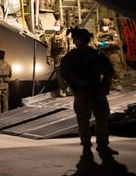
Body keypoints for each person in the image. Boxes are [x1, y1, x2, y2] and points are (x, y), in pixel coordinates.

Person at [60, 27, 118, 158]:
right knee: (101, 119)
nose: (74, 41)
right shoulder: (95, 54)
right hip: (96, 90)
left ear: (78, 40)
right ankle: (102, 146)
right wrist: (104, 85)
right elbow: (109, 71)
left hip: (84, 92)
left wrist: (76, 84)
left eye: (75, 39)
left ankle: (87, 148)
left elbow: (64, 74)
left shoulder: (72, 56)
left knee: (84, 121)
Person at [47, 21, 74, 97]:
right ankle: (62, 90)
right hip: (57, 57)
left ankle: (70, 89)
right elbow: (49, 47)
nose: (56, 26)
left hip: (66, 55)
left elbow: (71, 45)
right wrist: (48, 57)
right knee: (59, 74)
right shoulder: (52, 36)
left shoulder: (67, 34)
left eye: (57, 25)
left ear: (61, 26)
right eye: (55, 25)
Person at [95, 18, 123, 91]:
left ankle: (117, 84)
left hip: (112, 53)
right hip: (103, 54)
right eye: (103, 25)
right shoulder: (99, 34)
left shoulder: (113, 33)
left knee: (116, 68)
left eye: (105, 25)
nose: (104, 27)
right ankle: (108, 84)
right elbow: (95, 42)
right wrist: (99, 44)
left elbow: (117, 42)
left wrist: (109, 43)